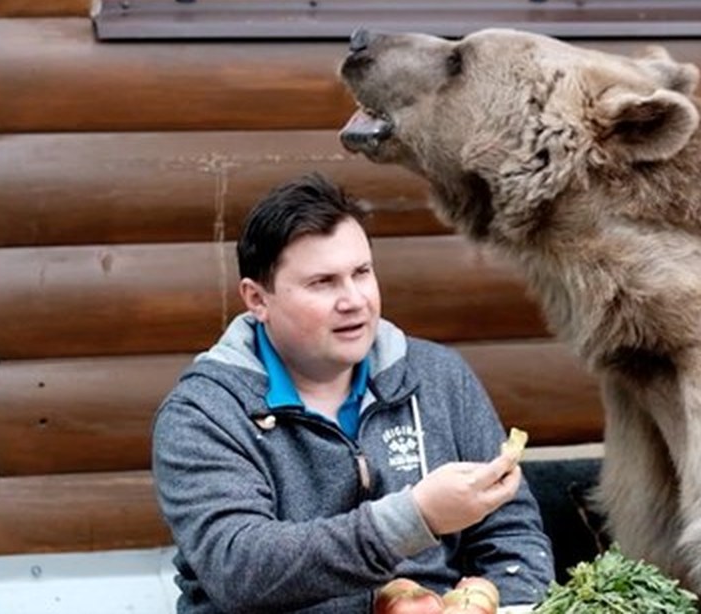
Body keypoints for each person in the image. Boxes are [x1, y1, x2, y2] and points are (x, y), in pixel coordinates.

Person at [152, 172, 554, 613]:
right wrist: (414, 517)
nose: (354, 301)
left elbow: (511, 534)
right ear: (257, 299)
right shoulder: (204, 413)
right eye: (322, 283)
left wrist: (493, 604)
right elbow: (240, 567)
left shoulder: (438, 376)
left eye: (361, 273)